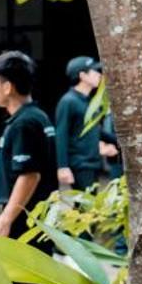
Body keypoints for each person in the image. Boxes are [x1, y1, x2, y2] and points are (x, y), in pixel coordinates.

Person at [0, 50, 58, 241]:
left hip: (26, 218)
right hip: (37, 216)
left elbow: (29, 176)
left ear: (8, 87)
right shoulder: (38, 116)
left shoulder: (24, 123)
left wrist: (4, 222)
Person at [53, 56, 119, 191]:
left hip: (93, 162)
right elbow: (61, 134)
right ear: (82, 75)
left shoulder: (89, 101)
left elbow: (95, 129)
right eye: (95, 71)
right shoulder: (68, 101)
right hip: (80, 163)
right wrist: (63, 167)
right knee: (85, 207)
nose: (99, 75)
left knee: (89, 206)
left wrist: (119, 141)